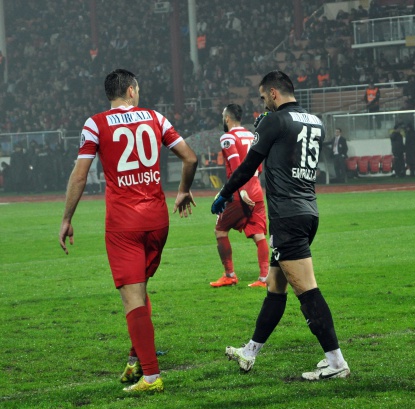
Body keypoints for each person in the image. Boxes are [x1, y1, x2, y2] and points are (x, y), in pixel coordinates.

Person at [58, 69, 198, 393]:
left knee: (132, 297)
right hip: (157, 220)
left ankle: (151, 377)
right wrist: (183, 190)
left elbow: (80, 175)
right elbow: (190, 159)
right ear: (132, 90)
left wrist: (66, 218)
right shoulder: (155, 118)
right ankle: (135, 359)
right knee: (140, 289)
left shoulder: (95, 124)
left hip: (124, 224)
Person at [210, 70, 350, 380]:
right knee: (275, 287)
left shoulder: (274, 121)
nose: (264, 104)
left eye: (264, 97)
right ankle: (250, 352)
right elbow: (291, 155)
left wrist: (225, 192)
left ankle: (337, 362)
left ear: (273, 93)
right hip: (308, 210)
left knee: (307, 290)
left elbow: (249, 165)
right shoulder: (315, 121)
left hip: (287, 216)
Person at [210, 103, 269, 288]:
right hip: (256, 186)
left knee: (220, 230)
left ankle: (230, 275)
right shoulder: (252, 135)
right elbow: (259, 166)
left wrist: (241, 189)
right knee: (258, 234)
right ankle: (264, 278)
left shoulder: (227, 137)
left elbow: (236, 164)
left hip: (239, 189)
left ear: (227, 118)